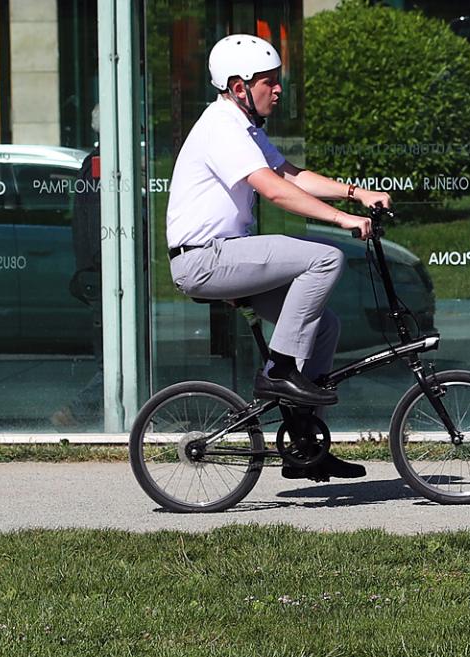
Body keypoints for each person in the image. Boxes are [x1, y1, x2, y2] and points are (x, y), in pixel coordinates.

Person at [165, 34, 392, 479]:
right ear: (238, 87)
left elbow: (291, 174)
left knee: (325, 326)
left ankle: (305, 445)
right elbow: (272, 189)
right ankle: (281, 370)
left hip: (226, 257)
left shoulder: (243, 128)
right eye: (270, 82)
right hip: (206, 258)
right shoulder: (220, 127)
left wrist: (357, 193)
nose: (278, 90)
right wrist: (341, 219)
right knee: (324, 259)